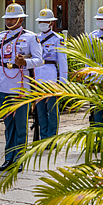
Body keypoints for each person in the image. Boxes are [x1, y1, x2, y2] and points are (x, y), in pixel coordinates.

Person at [0, 1, 43, 171]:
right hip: (4, 84)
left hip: (21, 85)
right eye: (8, 18)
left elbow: (39, 60)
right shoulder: (1, 37)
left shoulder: (30, 37)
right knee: (8, 125)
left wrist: (24, 62)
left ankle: (19, 158)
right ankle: (9, 157)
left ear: (21, 19)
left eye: (13, 18)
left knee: (20, 124)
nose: (9, 21)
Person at [33, 8, 67, 140]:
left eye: (45, 21)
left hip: (51, 76)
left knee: (52, 110)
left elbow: (63, 62)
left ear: (51, 23)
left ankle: (52, 137)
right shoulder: (35, 38)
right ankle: (43, 136)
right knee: (40, 110)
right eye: (40, 21)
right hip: (37, 76)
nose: (42, 23)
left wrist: (62, 83)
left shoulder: (58, 39)